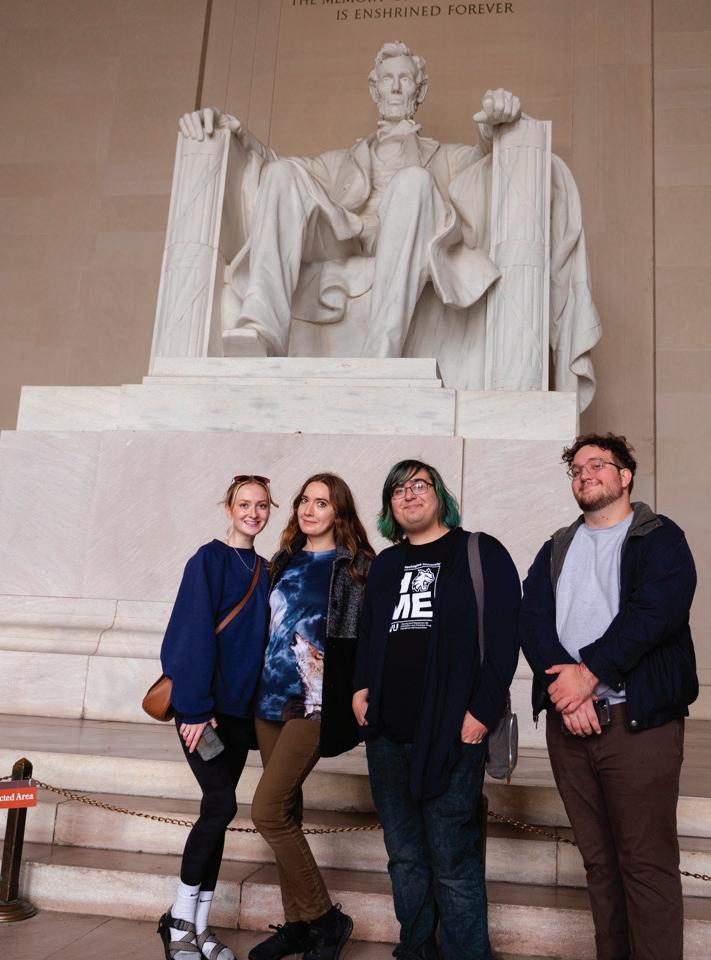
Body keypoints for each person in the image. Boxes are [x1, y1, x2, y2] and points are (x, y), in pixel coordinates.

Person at [178, 42, 599, 406]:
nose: (396, 87)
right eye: (387, 79)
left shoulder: (445, 157)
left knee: (414, 181)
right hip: (347, 239)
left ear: (420, 91)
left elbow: (487, 167)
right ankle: (261, 329)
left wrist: (495, 127)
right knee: (283, 173)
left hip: (413, 244)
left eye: (405, 79)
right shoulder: (339, 162)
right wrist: (238, 135)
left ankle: (379, 356)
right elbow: (274, 170)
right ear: (374, 89)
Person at [519, 433, 698, 960]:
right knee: (599, 865)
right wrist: (569, 695)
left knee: (645, 865)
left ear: (625, 475)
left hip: (636, 724)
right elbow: (531, 619)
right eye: (576, 469)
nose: (585, 474)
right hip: (570, 727)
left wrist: (589, 673)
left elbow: (654, 614)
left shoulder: (660, 538)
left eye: (597, 464)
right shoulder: (557, 545)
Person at [352, 460, 520, 960]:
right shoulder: (385, 565)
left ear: (440, 495)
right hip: (387, 735)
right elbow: (368, 634)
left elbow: (504, 641)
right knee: (404, 858)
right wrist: (361, 689)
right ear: (390, 507)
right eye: (397, 490)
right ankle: (417, 949)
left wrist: (482, 714)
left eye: (418, 485)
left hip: (453, 731)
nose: (409, 495)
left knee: (452, 860)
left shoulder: (481, 552)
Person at [248, 473, 375, 960]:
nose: (309, 509)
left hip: (316, 702)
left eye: (321, 502)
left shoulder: (358, 566)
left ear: (339, 512)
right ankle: (299, 925)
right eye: (304, 500)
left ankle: (326, 919)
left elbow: (368, 639)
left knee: (266, 811)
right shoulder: (282, 561)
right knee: (286, 813)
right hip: (269, 701)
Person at [157, 475, 276, 960]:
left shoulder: (266, 569)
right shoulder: (207, 560)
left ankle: (199, 927)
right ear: (229, 508)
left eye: (261, 505)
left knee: (217, 811)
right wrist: (195, 708)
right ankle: (179, 922)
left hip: (240, 715)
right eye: (244, 504)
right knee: (222, 805)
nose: (253, 513)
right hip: (203, 712)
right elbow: (191, 634)